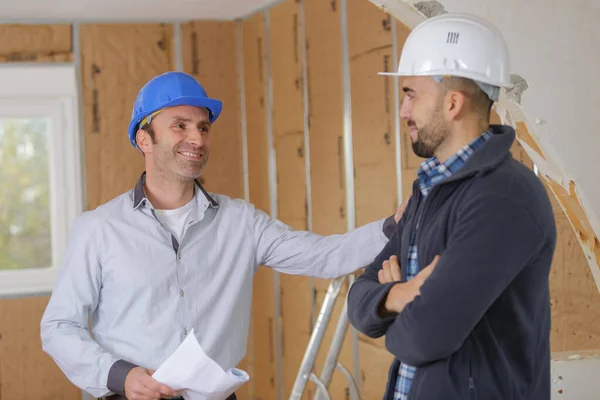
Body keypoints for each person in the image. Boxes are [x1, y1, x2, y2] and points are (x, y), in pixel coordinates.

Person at [40, 71, 402, 400]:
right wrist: (120, 375)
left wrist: (396, 224)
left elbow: (325, 256)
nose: (196, 138)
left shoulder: (241, 222)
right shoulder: (99, 228)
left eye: (203, 127)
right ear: (144, 139)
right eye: (179, 126)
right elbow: (59, 326)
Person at [347, 13, 557, 400]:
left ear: (453, 103)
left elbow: (425, 337)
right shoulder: (430, 191)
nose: (403, 111)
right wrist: (398, 295)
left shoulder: (503, 198)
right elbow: (358, 298)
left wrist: (391, 305)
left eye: (411, 94)